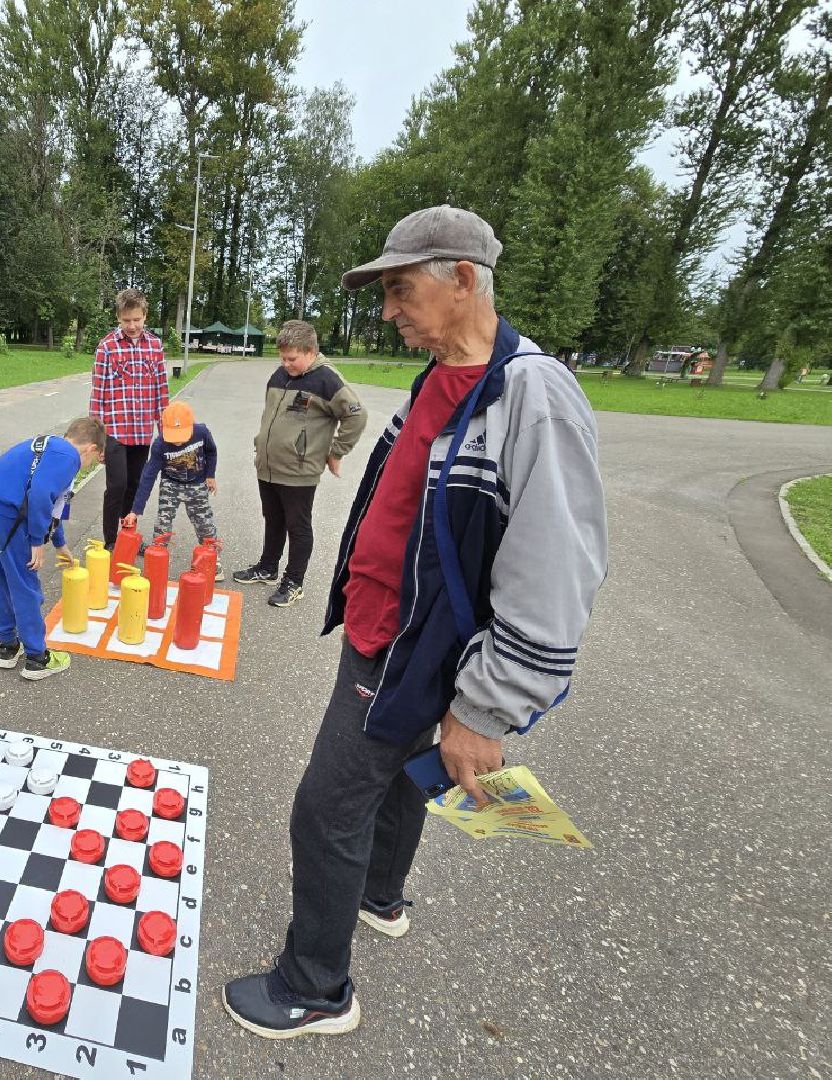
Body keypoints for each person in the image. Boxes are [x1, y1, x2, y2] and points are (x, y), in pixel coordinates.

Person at [223, 205, 608, 1038]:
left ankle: (315, 987)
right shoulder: (442, 377)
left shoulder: (534, 395)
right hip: (389, 631)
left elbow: (557, 572)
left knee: (325, 811)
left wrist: (482, 710)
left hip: (406, 650)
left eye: (402, 290)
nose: (389, 310)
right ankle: (380, 895)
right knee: (398, 778)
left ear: (463, 279)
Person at [232, 320, 366, 608]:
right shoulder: (280, 375)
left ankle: (294, 581)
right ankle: (268, 567)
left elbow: (356, 415)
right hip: (268, 465)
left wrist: (337, 451)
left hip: (299, 471)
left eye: (292, 358)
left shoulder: (327, 379)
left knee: (298, 526)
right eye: (282, 357)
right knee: (274, 519)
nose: (286, 364)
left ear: (310, 351)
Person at [0, 417, 107, 681]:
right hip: (7, 515)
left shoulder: (49, 447)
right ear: (91, 448)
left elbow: (54, 506)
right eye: (94, 459)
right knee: (24, 582)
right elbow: (39, 495)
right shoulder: (69, 457)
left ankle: (8, 647)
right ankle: (37, 658)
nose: (86, 467)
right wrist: (36, 541)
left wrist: (60, 545)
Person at [90, 287, 168, 547]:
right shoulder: (107, 347)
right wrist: (98, 439)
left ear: (145, 316)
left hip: (142, 431)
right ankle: (111, 541)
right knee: (117, 485)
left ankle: (128, 538)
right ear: (118, 317)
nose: (132, 325)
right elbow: (97, 394)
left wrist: (165, 430)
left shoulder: (155, 346)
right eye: (126, 320)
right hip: (115, 431)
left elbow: (161, 391)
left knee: (135, 485)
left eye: (136, 319)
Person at [121, 401, 223, 580]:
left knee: (204, 522)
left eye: (181, 435)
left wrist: (210, 475)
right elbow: (148, 477)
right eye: (173, 436)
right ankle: (156, 558)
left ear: (190, 426)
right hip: (171, 484)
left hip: (197, 484)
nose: (177, 441)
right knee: (163, 522)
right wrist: (135, 511)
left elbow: (211, 452)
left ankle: (212, 561)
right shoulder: (160, 444)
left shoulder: (201, 432)